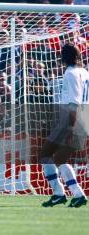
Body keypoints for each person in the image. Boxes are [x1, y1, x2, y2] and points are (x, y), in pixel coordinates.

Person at [39, 43, 88, 208]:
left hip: (73, 121)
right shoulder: (84, 72)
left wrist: (71, 128)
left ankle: (65, 193)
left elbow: (74, 103)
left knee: (47, 154)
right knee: (56, 156)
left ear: (63, 57)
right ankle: (68, 193)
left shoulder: (70, 73)